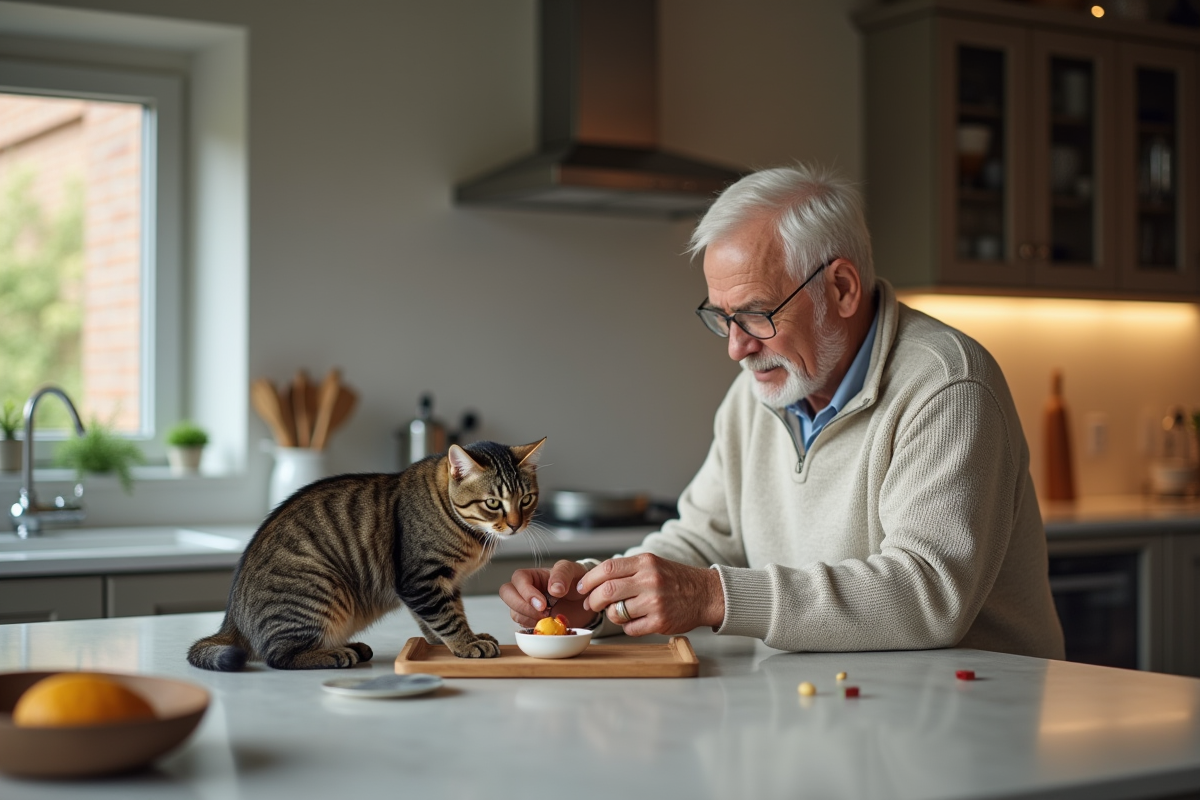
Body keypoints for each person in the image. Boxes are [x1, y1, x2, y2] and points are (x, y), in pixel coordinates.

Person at [500, 164, 1065, 659]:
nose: (735, 347)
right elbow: (703, 541)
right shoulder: (756, 395)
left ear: (841, 288)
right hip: (842, 705)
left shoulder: (947, 387)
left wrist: (714, 596)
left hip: (972, 715)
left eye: (755, 314)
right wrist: (597, 597)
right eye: (722, 317)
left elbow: (927, 593)